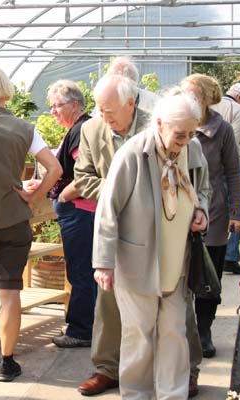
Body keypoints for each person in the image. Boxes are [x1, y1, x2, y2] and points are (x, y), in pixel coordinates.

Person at [93, 89, 208, 399]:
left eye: (191, 133)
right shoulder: (132, 154)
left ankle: (173, 394)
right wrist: (103, 262)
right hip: (137, 264)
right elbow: (107, 211)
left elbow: (204, 189)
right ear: (159, 123)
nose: (184, 141)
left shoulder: (192, 149)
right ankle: (136, 395)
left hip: (177, 263)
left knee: (175, 334)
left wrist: (202, 212)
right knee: (138, 337)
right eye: (179, 134)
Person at [0, 67, 62, 382]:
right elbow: (54, 168)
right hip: (15, 220)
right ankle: (6, 360)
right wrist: (34, 198)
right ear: (8, 92)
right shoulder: (25, 128)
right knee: (10, 291)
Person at [74, 73, 149, 396]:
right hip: (112, 226)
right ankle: (107, 368)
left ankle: (177, 368)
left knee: (169, 298)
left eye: (109, 111)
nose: (103, 117)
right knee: (107, 298)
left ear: (131, 104)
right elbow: (83, 177)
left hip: (154, 227)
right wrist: (121, 193)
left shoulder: (155, 125)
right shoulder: (91, 129)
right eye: (99, 109)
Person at [181, 74, 240, 358]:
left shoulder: (223, 130)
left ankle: (204, 331)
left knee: (209, 275)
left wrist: (236, 212)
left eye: (191, 94)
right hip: (178, 210)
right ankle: (184, 331)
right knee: (179, 274)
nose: (186, 98)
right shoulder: (175, 123)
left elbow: (233, 172)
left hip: (214, 212)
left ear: (206, 98)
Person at [44, 80, 96, 348]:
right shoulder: (80, 127)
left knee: (81, 270)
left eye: (57, 106)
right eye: (51, 106)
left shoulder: (80, 130)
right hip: (82, 210)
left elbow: (85, 173)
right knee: (85, 268)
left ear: (75, 105)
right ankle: (87, 325)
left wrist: (64, 195)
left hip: (79, 210)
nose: (53, 111)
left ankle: (80, 330)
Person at [212, 83, 240, 275]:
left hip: (210, 165)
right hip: (233, 164)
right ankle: (230, 256)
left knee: (214, 209)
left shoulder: (212, 106)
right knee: (234, 210)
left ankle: (212, 254)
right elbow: (233, 142)